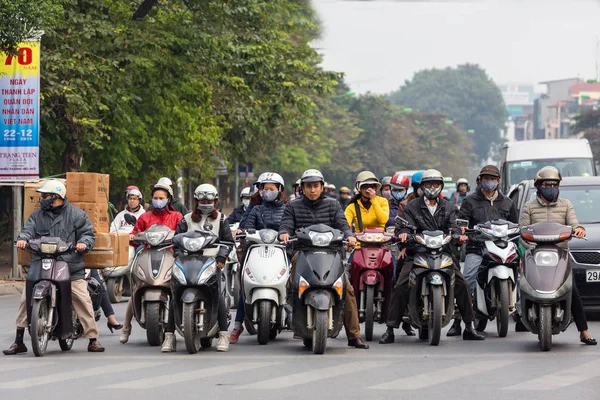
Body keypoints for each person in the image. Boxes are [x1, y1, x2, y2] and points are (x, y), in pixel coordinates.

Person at [379, 169, 485, 344]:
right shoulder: (412, 207)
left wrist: (459, 236)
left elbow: (455, 228)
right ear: (422, 187)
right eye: (428, 184)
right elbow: (403, 226)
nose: (432, 187)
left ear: (441, 186)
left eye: (436, 184)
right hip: (417, 253)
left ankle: (469, 326)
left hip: (444, 253)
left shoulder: (449, 207)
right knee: (400, 285)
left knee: (462, 283)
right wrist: (405, 234)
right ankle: (390, 329)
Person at [4, 180, 105, 355]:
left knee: (82, 298)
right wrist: (23, 239)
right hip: (41, 262)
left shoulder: (76, 215)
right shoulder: (36, 216)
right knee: (25, 299)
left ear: (56, 197)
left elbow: (88, 234)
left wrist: (82, 244)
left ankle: (93, 339)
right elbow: (28, 230)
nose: (41, 198)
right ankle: (19, 340)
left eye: (44, 196)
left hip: (70, 266)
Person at [279, 169, 369, 349]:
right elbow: (286, 225)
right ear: (302, 188)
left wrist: (349, 236)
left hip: (331, 253)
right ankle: (296, 322)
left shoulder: (333, 205)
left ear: (322, 187)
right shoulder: (292, 206)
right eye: (308, 186)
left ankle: (354, 335)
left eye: (315, 186)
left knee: (348, 289)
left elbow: (342, 224)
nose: (312, 190)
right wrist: (284, 233)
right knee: (293, 284)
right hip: (303, 252)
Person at [519, 166, 596, 345]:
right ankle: (520, 312)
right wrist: (529, 245)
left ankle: (584, 331)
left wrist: (579, 230)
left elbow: (575, 225)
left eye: (554, 185)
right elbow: (523, 231)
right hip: (535, 254)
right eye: (547, 184)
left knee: (573, 291)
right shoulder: (528, 207)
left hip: (560, 255)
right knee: (523, 283)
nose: (551, 188)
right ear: (538, 186)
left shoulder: (566, 205)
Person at [162, 184, 233, 352]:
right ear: (196, 200)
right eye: (202, 200)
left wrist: (221, 257)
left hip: (212, 261)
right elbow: (176, 241)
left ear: (215, 201)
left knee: (219, 294)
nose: (205, 203)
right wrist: (178, 255)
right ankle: (169, 336)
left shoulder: (222, 219)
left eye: (209, 200)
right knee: (174, 295)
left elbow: (228, 242)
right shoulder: (186, 219)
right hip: (187, 262)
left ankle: (223, 334)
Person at [448, 165, 518, 336]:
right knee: (467, 281)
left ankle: (521, 315)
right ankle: (458, 321)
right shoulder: (470, 201)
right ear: (480, 180)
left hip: (503, 248)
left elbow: (516, 226)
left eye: (493, 178)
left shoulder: (508, 203)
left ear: (499, 181)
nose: (489, 182)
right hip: (477, 248)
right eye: (486, 178)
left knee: (522, 276)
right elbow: (461, 223)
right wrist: (463, 232)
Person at [119, 183, 183, 344]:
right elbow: (135, 234)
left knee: (180, 287)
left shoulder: (176, 217)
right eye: (155, 198)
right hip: (147, 254)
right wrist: (132, 237)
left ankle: (185, 320)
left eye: (161, 198)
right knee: (136, 288)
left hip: (170, 256)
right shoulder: (144, 217)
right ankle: (126, 326)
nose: (158, 201)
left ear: (168, 199)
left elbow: (183, 235)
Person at [230, 173, 286, 343]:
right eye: (264, 188)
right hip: (256, 250)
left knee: (294, 280)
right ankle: (237, 325)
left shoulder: (288, 209)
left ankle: (294, 319)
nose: (267, 192)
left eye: (271, 188)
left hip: (280, 251)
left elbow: (290, 226)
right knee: (247, 282)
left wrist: (287, 235)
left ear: (280, 189)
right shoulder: (255, 208)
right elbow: (246, 227)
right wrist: (242, 233)